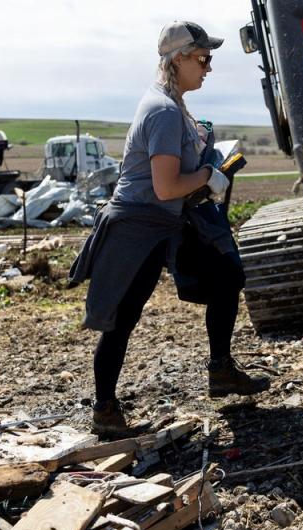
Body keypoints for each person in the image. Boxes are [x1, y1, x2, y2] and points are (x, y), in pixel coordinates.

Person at [69, 21, 269, 436]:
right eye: (203, 59)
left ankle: (221, 370)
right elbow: (165, 186)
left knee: (227, 276)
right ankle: (105, 410)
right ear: (178, 59)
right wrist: (208, 176)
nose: (208, 68)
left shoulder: (174, 103)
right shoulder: (161, 110)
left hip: (169, 221)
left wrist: (207, 159)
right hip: (138, 226)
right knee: (122, 319)